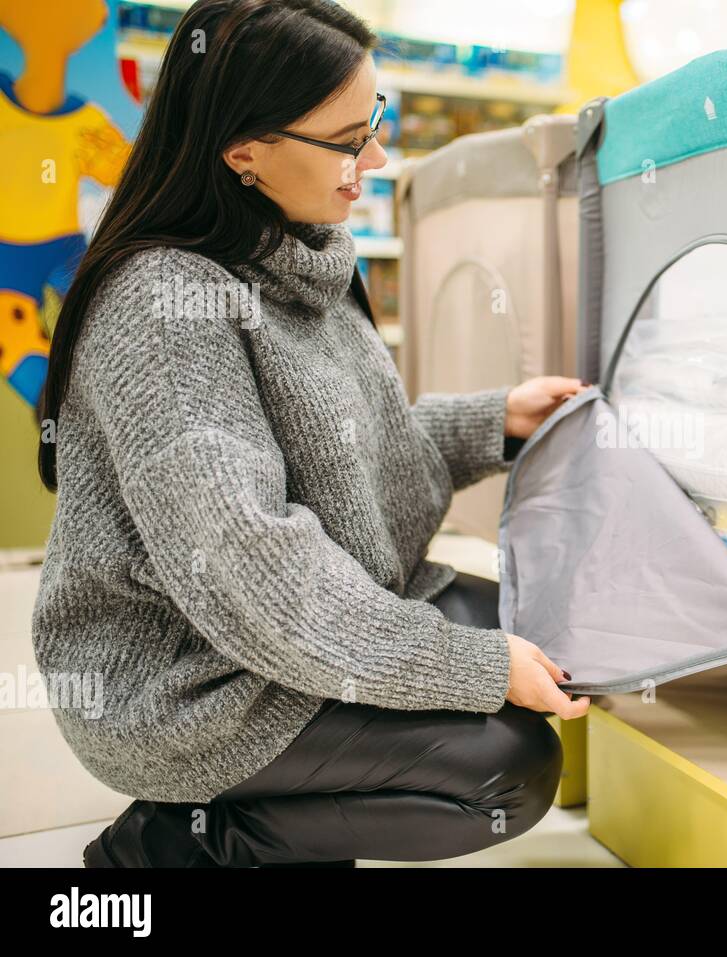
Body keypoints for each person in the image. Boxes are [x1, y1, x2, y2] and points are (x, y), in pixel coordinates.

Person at [29, 0, 590, 868]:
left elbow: (346, 453)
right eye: (346, 141)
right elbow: (258, 569)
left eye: (376, 124)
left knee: (566, 630)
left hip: (298, 614)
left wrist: (495, 419)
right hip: (190, 682)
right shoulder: (165, 307)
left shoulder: (303, 250)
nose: (377, 159)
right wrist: (471, 668)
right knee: (509, 770)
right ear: (243, 150)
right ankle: (168, 847)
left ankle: (284, 810)